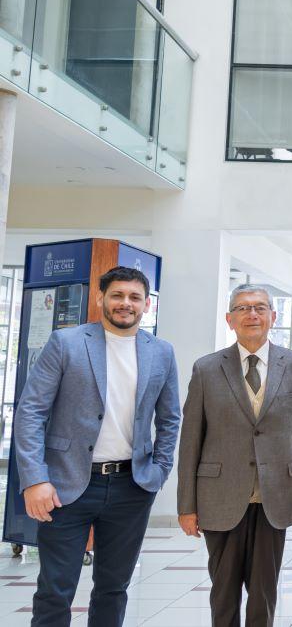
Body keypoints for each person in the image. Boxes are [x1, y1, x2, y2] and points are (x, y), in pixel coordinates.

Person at [16, 266, 180, 626]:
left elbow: (170, 418)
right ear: (100, 297)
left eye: (135, 297)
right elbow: (30, 412)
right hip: (65, 485)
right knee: (55, 589)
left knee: (113, 588)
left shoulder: (161, 352)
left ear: (146, 304)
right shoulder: (66, 342)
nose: (126, 303)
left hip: (131, 487)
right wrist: (35, 479)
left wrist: (160, 469)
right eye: (117, 295)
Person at [177, 284, 292, 627]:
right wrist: (186, 506)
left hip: (275, 497)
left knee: (264, 592)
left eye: (259, 307)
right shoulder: (207, 369)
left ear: (273, 317)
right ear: (230, 319)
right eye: (242, 308)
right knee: (223, 593)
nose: (252, 314)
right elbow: (191, 440)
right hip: (219, 496)